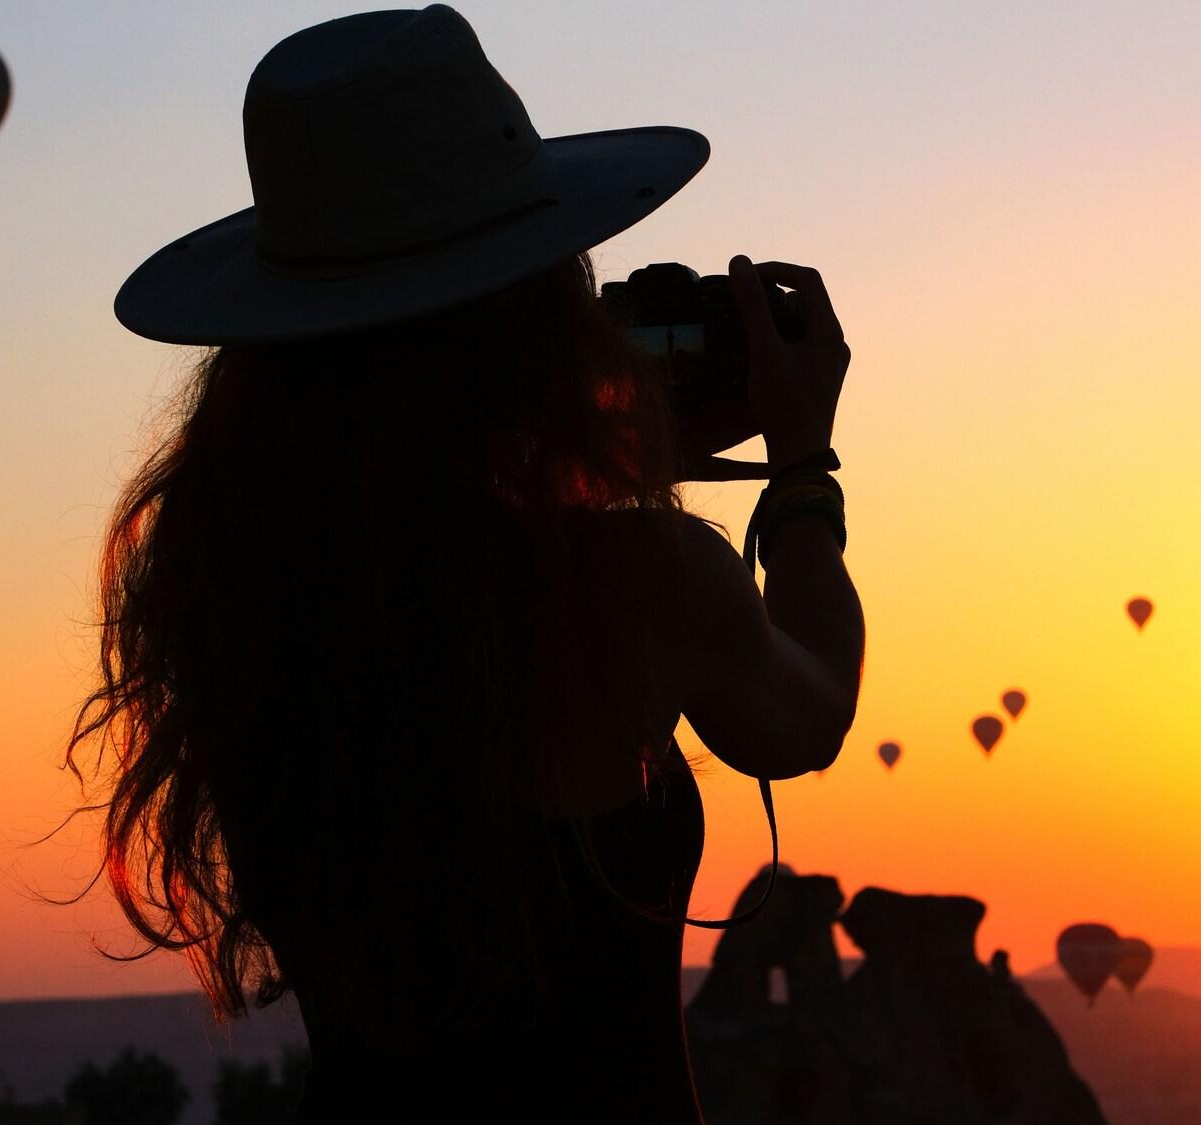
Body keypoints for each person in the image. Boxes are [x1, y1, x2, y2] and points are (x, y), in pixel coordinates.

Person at [65, 6, 862, 1120]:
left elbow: (429, 562)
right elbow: (806, 714)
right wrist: (802, 473)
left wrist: (578, 461)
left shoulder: (241, 603)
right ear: (529, 322)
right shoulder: (635, 582)